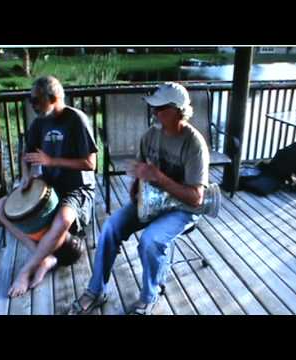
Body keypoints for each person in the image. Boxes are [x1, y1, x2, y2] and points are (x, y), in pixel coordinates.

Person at [69, 82, 210, 315]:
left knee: (151, 240)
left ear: (178, 110)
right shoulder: (150, 135)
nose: (154, 112)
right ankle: (96, 290)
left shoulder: (194, 144)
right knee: (110, 228)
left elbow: (196, 198)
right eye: (153, 107)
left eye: (160, 108)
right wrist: (136, 186)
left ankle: (149, 296)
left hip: (182, 209)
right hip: (151, 202)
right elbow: (142, 168)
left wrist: (159, 177)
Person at [0, 76, 97, 298]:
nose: (33, 105)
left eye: (36, 101)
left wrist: (51, 161)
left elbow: (90, 163)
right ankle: (44, 257)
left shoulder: (76, 119)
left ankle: (26, 270)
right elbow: (27, 156)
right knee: (1, 207)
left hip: (77, 188)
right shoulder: (40, 122)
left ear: (54, 98)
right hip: (51, 186)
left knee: (64, 220)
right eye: (31, 101)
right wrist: (25, 178)